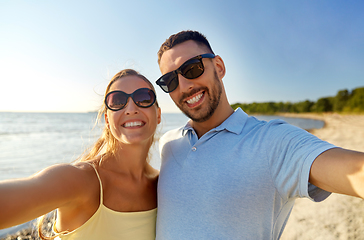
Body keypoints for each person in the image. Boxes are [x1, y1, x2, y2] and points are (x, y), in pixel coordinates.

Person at [155, 30, 364, 239]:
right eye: (170, 81)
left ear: (218, 67)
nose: (184, 87)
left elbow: (355, 172)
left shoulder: (272, 141)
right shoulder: (168, 143)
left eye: (192, 68)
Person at [0, 69, 161, 240]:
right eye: (118, 101)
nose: (130, 109)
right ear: (107, 120)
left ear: (158, 115)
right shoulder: (81, 181)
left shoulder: (164, 185)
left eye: (143, 98)